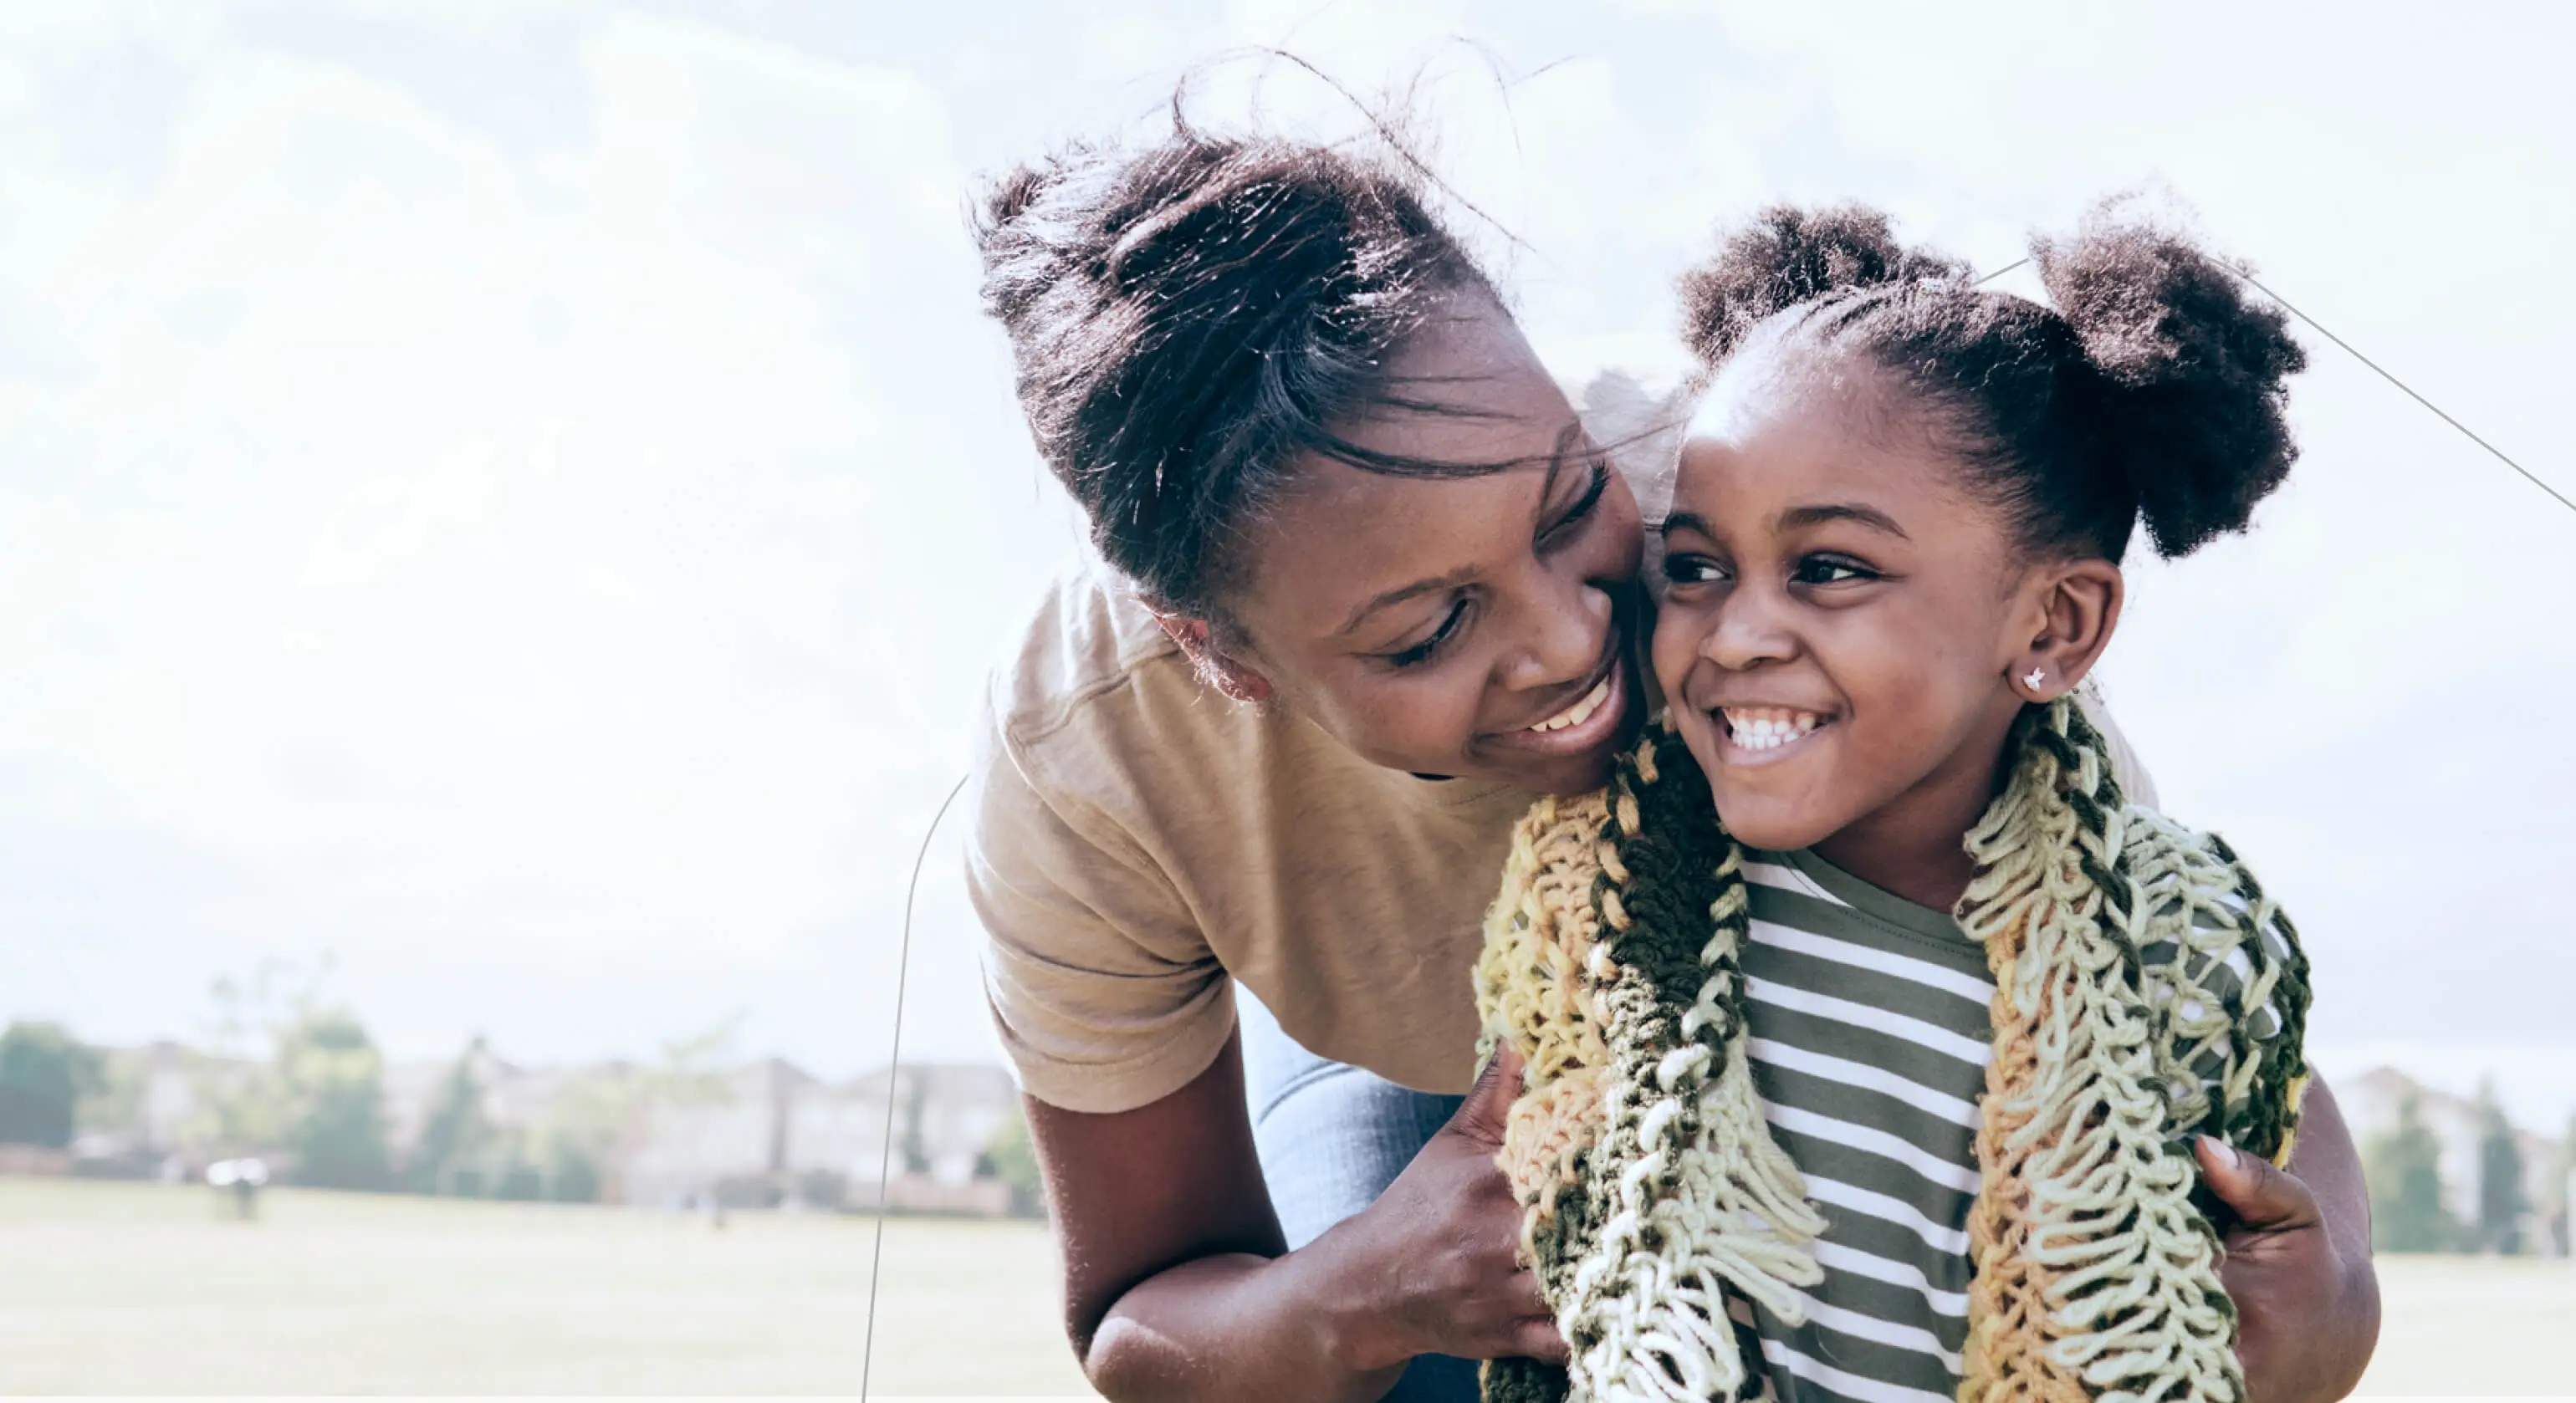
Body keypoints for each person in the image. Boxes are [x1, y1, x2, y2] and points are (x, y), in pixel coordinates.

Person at [965, 120, 2375, 1403]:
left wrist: (2337, 1295)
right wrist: (1354, 1296)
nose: (1578, 640)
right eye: (1431, 629)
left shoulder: (1750, 517)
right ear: (1226, 655)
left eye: (1569, 508)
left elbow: (2154, 997)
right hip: (1402, 1089)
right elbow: (1141, 1322)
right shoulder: (1090, 744)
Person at [1476, 202, 2379, 1403]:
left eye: (1831, 569)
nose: (1738, 632)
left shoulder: (2162, 941)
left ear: (2054, 626)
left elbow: (2276, 1137)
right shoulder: (1612, 911)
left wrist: (2339, 1300)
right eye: (1696, 567)